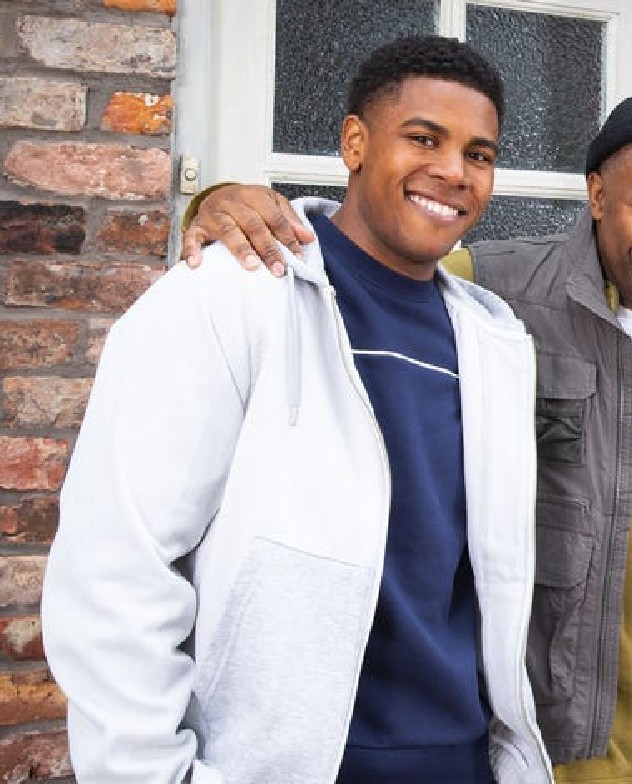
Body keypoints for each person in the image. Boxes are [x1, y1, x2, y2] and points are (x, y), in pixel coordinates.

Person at [179, 91, 632, 784]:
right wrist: (220, 203)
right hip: (544, 746)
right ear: (598, 195)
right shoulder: (495, 288)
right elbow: (362, 269)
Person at [41, 35, 552, 783]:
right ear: (354, 141)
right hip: (282, 765)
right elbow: (117, 561)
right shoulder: (236, 291)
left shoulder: (493, 341)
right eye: (423, 138)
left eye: (479, 153)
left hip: (458, 759)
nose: (452, 170)